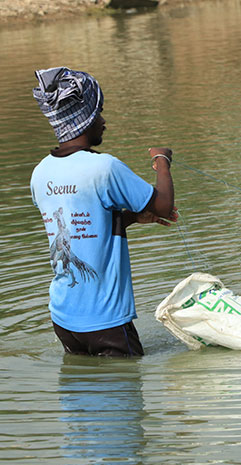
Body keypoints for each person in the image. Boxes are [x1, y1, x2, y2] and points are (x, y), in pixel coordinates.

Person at [30, 66, 176, 356]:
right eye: (98, 113)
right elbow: (163, 204)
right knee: (124, 394)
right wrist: (162, 160)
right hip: (105, 319)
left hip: (64, 319)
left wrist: (132, 217)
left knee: (84, 395)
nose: (103, 120)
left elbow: (75, 227)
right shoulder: (104, 167)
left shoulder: (40, 173)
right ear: (84, 120)